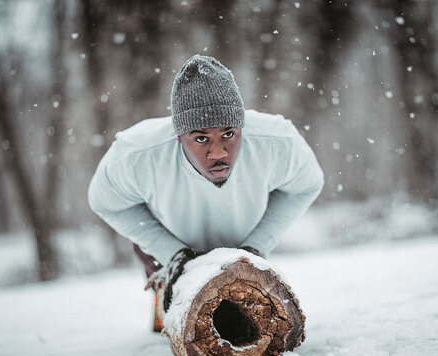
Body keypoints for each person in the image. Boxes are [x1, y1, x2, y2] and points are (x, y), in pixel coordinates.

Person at [88, 54, 324, 320]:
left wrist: (257, 246)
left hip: (241, 236)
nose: (218, 153)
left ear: (241, 126)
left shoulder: (277, 142)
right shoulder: (137, 155)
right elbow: (104, 202)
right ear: (179, 136)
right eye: (201, 138)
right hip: (168, 246)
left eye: (229, 134)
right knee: (180, 329)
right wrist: (171, 253)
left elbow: (308, 184)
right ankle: (165, 297)